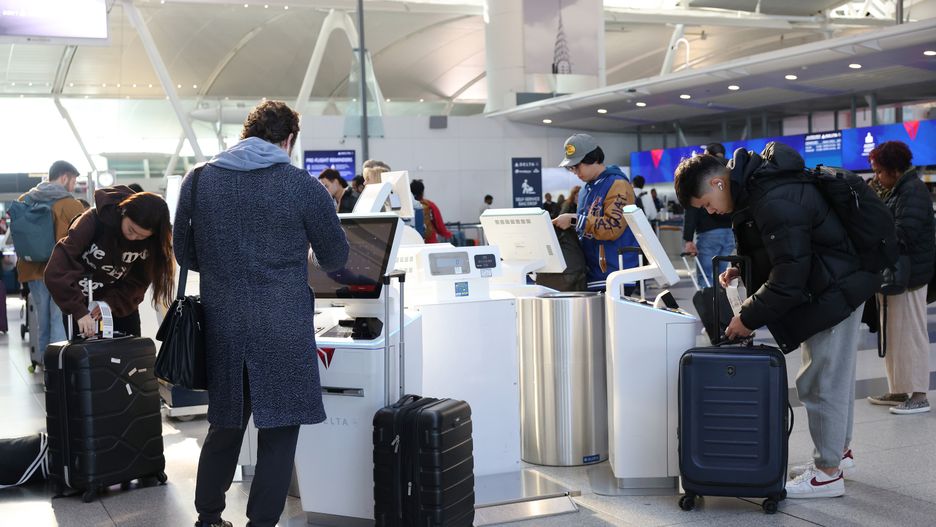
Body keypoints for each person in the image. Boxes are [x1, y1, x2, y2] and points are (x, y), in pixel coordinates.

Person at [176, 100, 348, 527]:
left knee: (225, 422)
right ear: (289, 140)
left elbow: (185, 252)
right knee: (281, 429)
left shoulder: (198, 181)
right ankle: (261, 523)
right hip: (283, 324)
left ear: (245, 134)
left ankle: (209, 517)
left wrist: (226, 268)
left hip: (224, 324)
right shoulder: (303, 186)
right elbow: (335, 257)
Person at [673, 142, 879, 499]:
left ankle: (828, 473)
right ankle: (838, 455)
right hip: (833, 282)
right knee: (835, 377)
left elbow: (789, 275)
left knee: (820, 381)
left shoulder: (772, 197)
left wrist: (748, 319)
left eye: (706, 203)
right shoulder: (759, 188)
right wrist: (743, 267)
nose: (711, 211)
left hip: (832, 289)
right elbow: (784, 248)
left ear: (718, 184)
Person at [45, 187, 175, 339]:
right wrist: (78, 310)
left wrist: (110, 304)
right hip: (81, 304)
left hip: (120, 306)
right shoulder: (93, 220)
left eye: (141, 236)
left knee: (127, 357)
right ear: (123, 211)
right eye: (131, 230)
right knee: (85, 359)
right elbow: (58, 267)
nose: (133, 238)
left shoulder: (150, 243)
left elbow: (138, 282)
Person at [866, 141, 935, 414]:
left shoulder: (913, 192)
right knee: (894, 335)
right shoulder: (896, 190)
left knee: (911, 335)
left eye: (880, 171)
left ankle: (919, 395)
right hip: (895, 273)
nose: (877, 177)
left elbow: (903, 233)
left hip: (911, 276)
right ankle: (898, 390)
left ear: (895, 170)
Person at [15, 161, 85, 373]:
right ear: (64, 177)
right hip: (59, 272)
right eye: (73, 180)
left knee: (41, 319)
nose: (73, 185)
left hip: (31, 269)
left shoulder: (25, 199)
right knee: (58, 318)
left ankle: (45, 362)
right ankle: (58, 367)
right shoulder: (70, 204)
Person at [553, 134, 639, 292]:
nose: (574, 172)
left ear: (592, 158)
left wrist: (574, 220)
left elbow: (612, 227)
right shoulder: (587, 188)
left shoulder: (618, 184)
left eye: (577, 166)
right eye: (571, 168)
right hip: (592, 273)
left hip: (614, 274)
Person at [683, 142, 735, 285]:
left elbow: (692, 208)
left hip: (708, 232)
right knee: (724, 278)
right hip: (731, 231)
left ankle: (708, 307)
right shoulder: (731, 169)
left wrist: (688, 239)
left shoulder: (703, 172)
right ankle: (722, 305)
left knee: (705, 277)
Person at [411, 179, 452, 244]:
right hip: (430, 241)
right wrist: (448, 234)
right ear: (422, 192)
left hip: (414, 240)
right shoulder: (429, 205)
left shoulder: (408, 206)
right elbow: (439, 224)